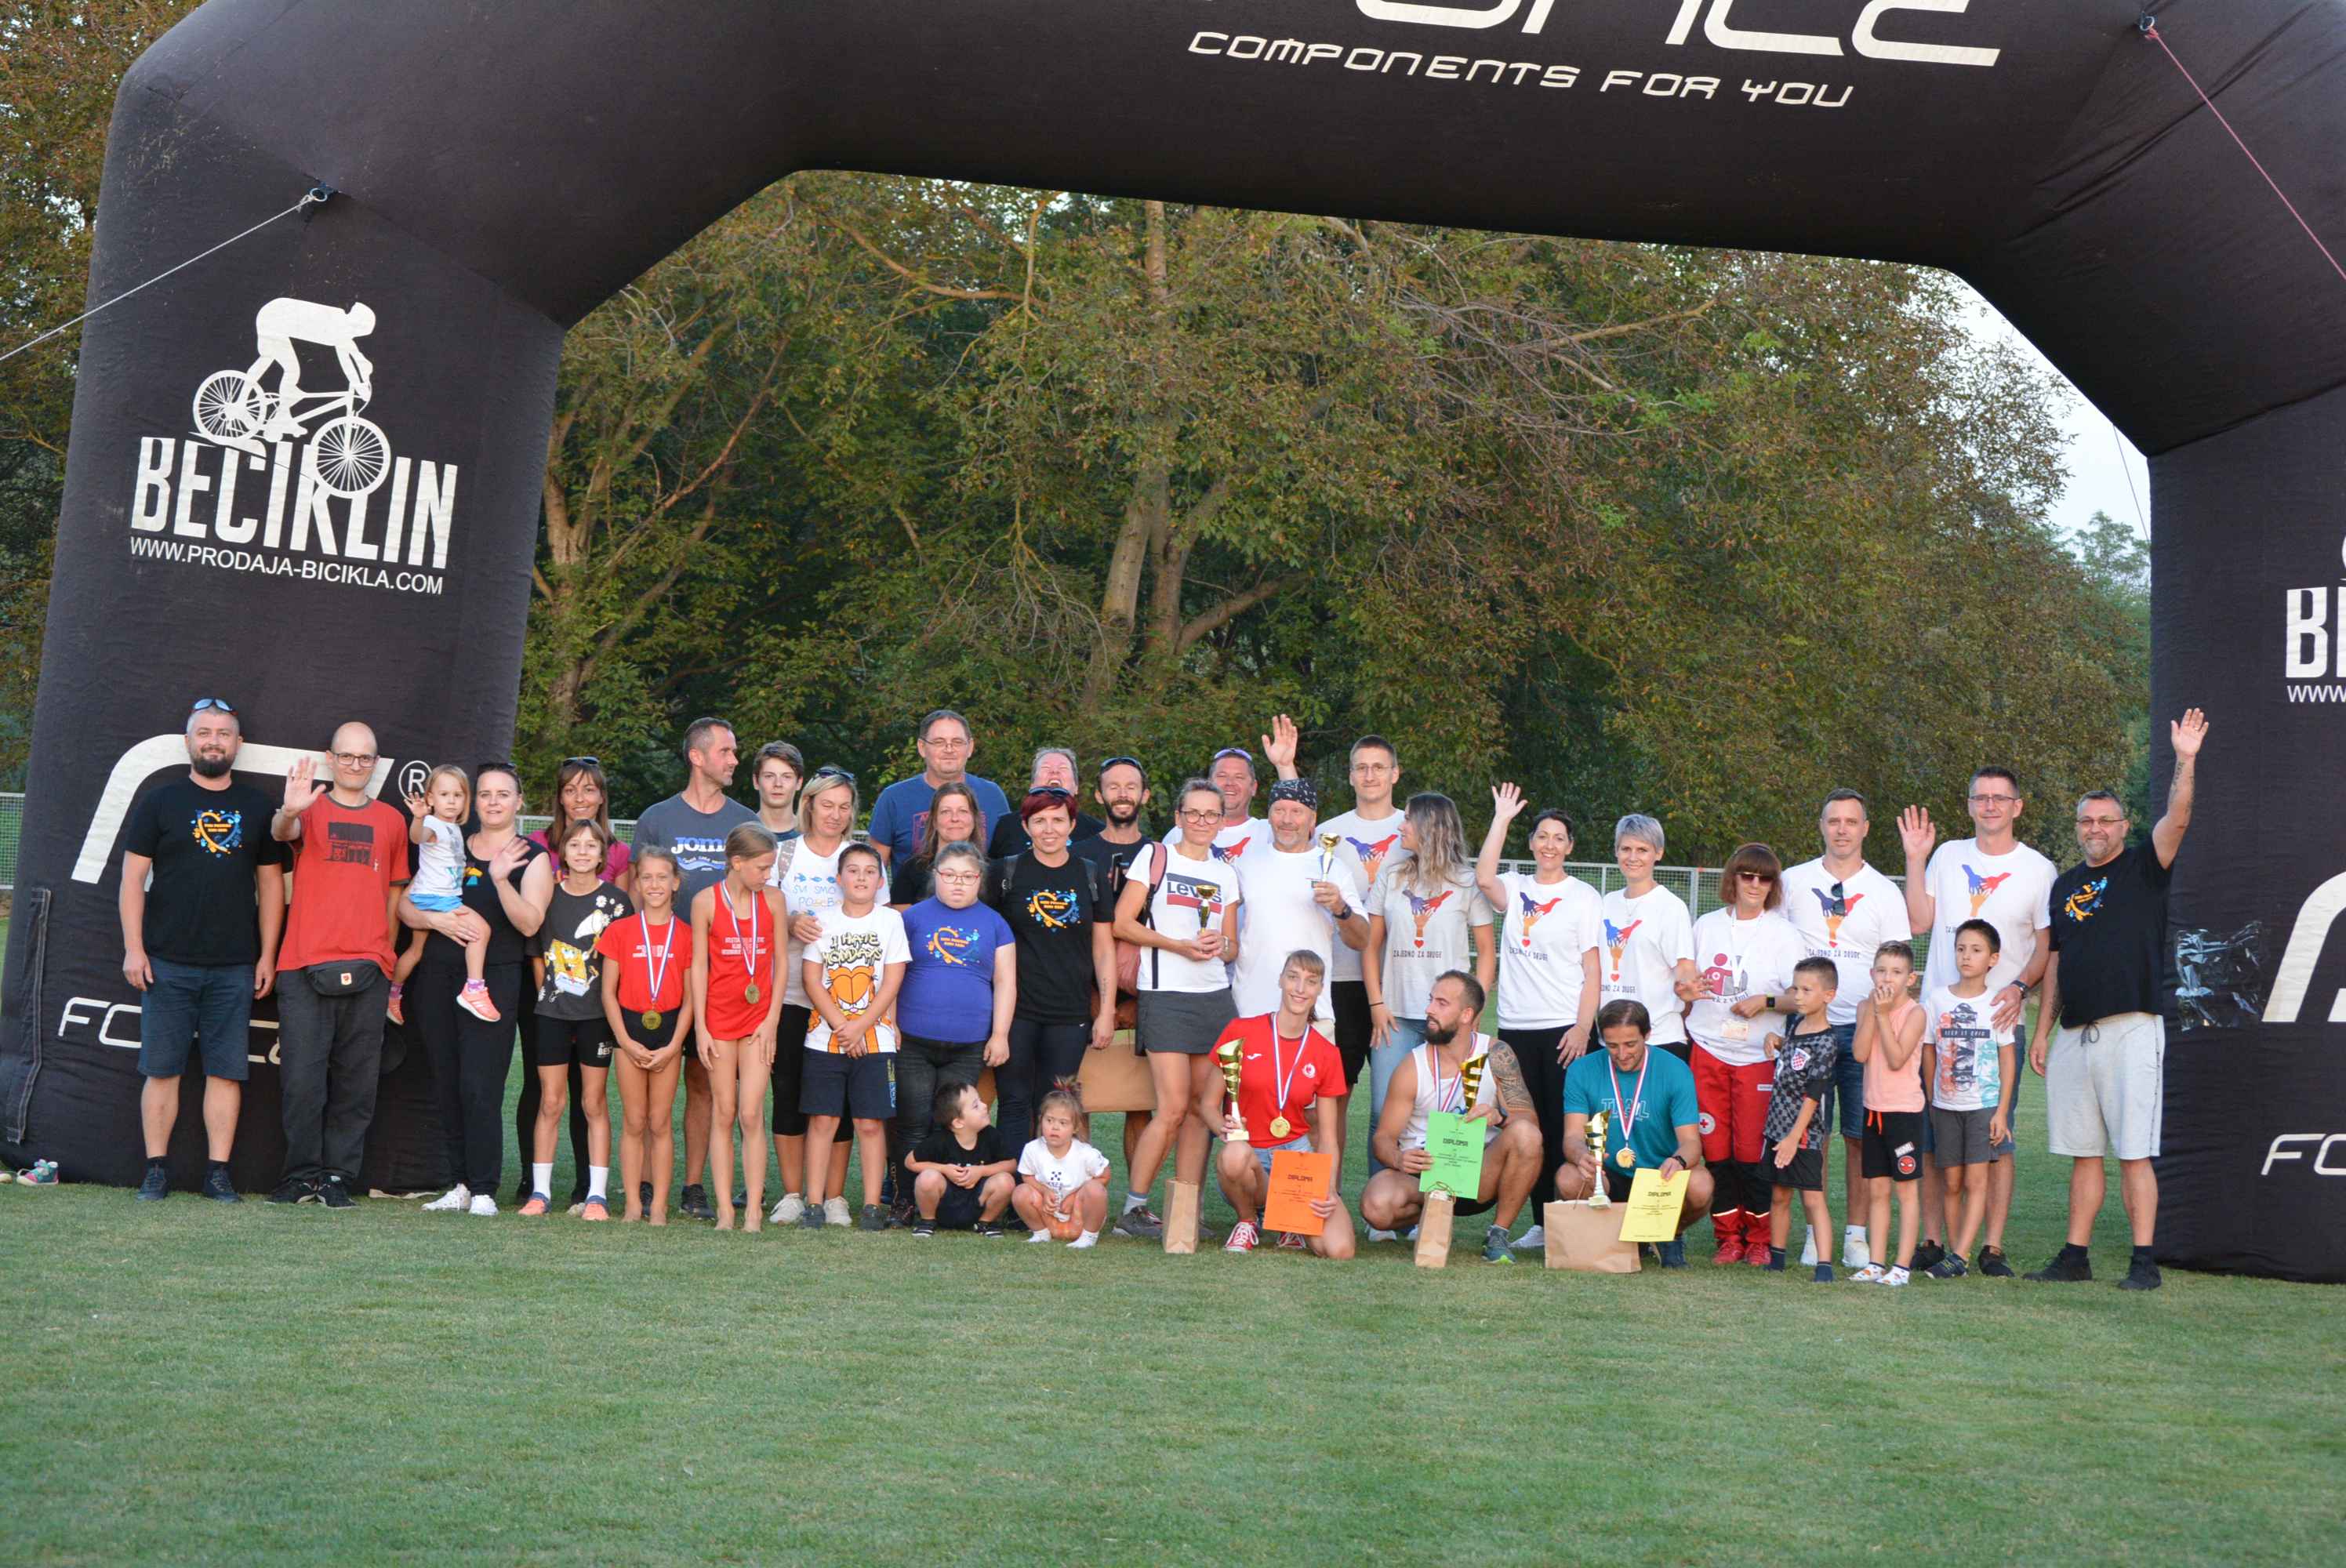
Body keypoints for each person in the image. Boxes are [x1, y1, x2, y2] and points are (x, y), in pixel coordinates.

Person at [2028, 709, 2206, 1292]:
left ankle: (2143, 1262)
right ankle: (2075, 1256)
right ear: (2077, 827)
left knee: (2133, 1152)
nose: (2095, 828)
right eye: (2086, 820)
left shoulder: (2144, 866)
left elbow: (2178, 819)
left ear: (2124, 826)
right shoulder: (2063, 886)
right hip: (2077, 1034)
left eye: (2106, 819)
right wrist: (2042, 1031)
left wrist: (2185, 759)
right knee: (2084, 1153)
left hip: (2133, 1027)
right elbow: (2056, 960)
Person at [121, 698, 287, 1203]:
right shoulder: (160, 802)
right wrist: (134, 949)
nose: (214, 740)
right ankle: (155, 1170)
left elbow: (273, 888)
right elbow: (131, 882)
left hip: (235, 965)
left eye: (223, 733)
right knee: (161, 1068)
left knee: (226, 1071)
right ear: (189, 742)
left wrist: (267, 956)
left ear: (238, 744)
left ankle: (218, 1173)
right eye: (205, 733)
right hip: (166, 962)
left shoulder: (259, 808)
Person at [1898, 768, 2055, 1276]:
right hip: (1939, 1026)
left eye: (1999, 798)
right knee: (1932, 1139)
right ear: (1969, 806)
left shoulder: (2037, 869)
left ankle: (1991, 1247)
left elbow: (2046, 947)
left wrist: (2018, 988)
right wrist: (1916, 859)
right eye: (1980, 798)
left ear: (2017, 806)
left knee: (1996, 1138)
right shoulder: (1947, 857)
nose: (1989, 805)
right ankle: (1932, 1239)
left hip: (1996, 1023)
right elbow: (1920, 921)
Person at [271, 719, 410, 1209]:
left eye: (365, 758)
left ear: (376, 764)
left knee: (356, 1082)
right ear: (331, 758)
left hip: (369, 968)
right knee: (302, 1082)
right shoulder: (307, 809)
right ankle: (301, 1176)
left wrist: (385, 957)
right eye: (347, 756)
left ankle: (336, 1178)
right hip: (303, 963)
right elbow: (280, 831)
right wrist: (289, 811)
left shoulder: (392, 821)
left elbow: (396, 895)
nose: (356, 765)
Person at [403, 764, 554, 1216]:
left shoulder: (532, 856)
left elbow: (530, 922)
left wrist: (501, 878)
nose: (492, 801)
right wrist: (438, 921)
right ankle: (460, 1184)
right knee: (447, 1083)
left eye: (502, 794)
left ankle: (486, 1188)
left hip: (495, 982)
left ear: (518, 802)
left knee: (480, 1086)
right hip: (437, 977)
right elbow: (409, 908)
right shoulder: (449, 841)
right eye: (485, 793)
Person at [1779, 789, 1912, 1271]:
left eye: (1850, 821)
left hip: (1863, 1030)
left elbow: (1896, 967)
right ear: (1820, 825)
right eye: (1833, 820)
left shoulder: (1883, 891)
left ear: (1865, 828)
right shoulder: (1793, 882)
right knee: (1812, 1136)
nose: (1841, 829)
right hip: (1806, 1030)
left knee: (1859, 1136)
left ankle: (1855, 1235)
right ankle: (1817, 1235)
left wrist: (1883, 1018)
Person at [630, 717, 756, 1221]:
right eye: (726, 751)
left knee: (704, 1081)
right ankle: (643, 1183)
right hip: (661, 970)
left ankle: (693, 1185)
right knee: (646, 1075)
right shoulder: (657, 818)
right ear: (697, 757)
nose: (733, 760)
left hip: (722, 976)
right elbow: (634, 892)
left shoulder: (744, 821)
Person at [1114, 778, 1244, 1239]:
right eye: (1194, 813)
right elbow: (1123, 924)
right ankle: (1133, 1210)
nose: (1203, 822)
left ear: (1223, 821)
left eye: (1213, 814)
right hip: (1165, 994)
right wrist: (1177, 946)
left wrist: (1219, 943)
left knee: (1198, 1109)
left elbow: (1231, 948)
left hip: (1213, 999)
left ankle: (1184, 1209)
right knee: (1170, 1109)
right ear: (1178, 817)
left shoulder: (1226, 872)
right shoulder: (1154, 857)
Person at [1475, 783, 1603, 1250]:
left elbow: (1593, 970)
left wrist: (1582, 1028)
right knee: (1524, 1126)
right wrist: (1501, 818)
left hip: (1563, 1030)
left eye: (1558, 838)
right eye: (1542, 836)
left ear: (1570, 847)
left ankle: (1566, 1220)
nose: (1549, 845)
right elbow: (1484, 878)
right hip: (1515, 1028)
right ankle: (1537, 1224)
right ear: (1531, 843)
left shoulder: (1584, 896)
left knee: (1561, 1125)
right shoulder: (1516, 885)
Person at [1361, 790, 1495, 1199]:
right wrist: (1377, 1004)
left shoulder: (1467, 882)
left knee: (1448, 1113)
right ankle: (1382, 1202)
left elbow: (1487, 952)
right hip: (1396, 1015)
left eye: (1407, 820)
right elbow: (1370, 944)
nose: (1400, 826)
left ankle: (1436, 1200)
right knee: (1383, 1112)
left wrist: (1472, 1008)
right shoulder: (1392, 875)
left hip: (1450, 1020)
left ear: (1429, 827)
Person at [1358, 971, 1545, 1262]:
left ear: (1467, 1014)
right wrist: (1397, 1159)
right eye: (1431, 1000)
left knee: (1527, 1136)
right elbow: (1383, 1138)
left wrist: (1500, 1116)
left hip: (1480, 1173)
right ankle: (1432, 1218)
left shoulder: (1496, 1054)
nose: (1429, 1009)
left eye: (1441, 1003)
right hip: (1426, 1177)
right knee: (1375, 1207)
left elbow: (1529, 1122)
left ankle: (1498, 1234)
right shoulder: (1412, 1065)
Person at [519, 755, 632, 1211]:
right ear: (561, 853)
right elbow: (537, 957)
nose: (583, 852)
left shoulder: (618, 902)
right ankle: (539, 1192)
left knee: (594, 1103)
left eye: (592, 847)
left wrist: (600, 1001)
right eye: (575, 847)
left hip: (596, 1017)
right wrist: (554, 996)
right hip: (552, 1013)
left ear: (605, 856)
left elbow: (620, 962)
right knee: (550, 1101)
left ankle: (597, 1194)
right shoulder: (547, 895)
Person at [1684, 844, 1806, 1264]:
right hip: (1708, 1049)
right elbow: (1685, 981)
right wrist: (1686, 990)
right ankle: (1727, 1238)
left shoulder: (1784, 934)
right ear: (1733, 878)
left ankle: (1758, 1238)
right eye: (1747, 875)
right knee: (1715, 1151)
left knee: (1752, 1153)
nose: (1755, 885)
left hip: (1757, 1055)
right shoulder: (1705, 925)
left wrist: (1766, 1002)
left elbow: (1802, 997)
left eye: (1764, 878)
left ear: (1773, 886)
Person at [982, 786, 1119, 1158]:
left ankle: (1047, 1193)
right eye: (1039, 821)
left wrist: (1105, 1012)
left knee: (1054, 1107)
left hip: (1069, 1013)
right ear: (1025, 826)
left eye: (1058, 820)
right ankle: (1009, 1196)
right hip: (1016, 1012)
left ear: (1073, 825)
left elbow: (1104, 948)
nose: (1049, 829)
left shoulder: (1090, 876)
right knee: (1013, 1104)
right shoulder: (1004, 872)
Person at [895, 840, 1015, 1220]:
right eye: (949, 876)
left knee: (950, 1123)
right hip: (913, 1039)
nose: (958, 884)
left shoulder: (995, 923)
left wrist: (1000, 1035)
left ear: (979, 879)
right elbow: (891, 975)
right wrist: (890, 1024)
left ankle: (947, 1200)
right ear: (936, 876)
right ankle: (905, 1198)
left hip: (967, 1043)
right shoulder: (913, 918)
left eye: (967, 877)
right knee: (912, 1119)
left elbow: (1006, 981)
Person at [1210, 951, 1357, 1259]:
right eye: (1293, 977)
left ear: (1320, 990)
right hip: (1250, 1153)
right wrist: (1223, 1129)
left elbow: (1329, 1136)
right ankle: (1248, 1221)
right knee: (1235, 1156)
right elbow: (1206, 1104)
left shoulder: (1326, 1053)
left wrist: (1328, 1187)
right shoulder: (1241, 1031)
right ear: (1280, 980)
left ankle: (1289, 1223)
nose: (1300, 988)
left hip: (1297, 1158)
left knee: (1339, 1249)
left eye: (1311, 981)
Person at [798, 843, 910, 1231]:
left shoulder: (889, 921)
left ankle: (872, 1206)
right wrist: (842, 1027)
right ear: (839, 878)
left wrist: (861, 1026)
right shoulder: (821, 920)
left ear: (880, 881)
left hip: (876, 1038)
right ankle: (813, 1203)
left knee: (869, 1123)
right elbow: (811, 978)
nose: (861, 878)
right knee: (824, 1119)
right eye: (853, 870)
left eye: (869, 872)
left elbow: (894, 978)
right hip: (824, 1039)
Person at [1556, 999, 1715, 1266]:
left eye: (1631, 1044)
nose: (1621, 1054)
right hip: (1606, 1175)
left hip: (1658, 1176)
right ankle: (1620, 1239)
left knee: (1700, 1185)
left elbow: (1691, 1143)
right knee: (1568, 1178)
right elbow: (1572, 1137)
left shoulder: (1675, 1070)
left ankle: (1670, 1234)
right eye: (1612, 1045)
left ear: (1648, 1035)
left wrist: (1677, 1162)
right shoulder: (1581, 1070)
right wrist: (1581, 1156)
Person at [766, 766, 856, 1225]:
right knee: (788, 1090)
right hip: (791, 995)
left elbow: (876, 923)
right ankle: (793, 1193)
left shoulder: (860, 858)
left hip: (846, 1003)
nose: (835, 815)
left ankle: (835, 1197)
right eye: (827, 804)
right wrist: (787, 922)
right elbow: (758, 915)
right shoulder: (783, 856)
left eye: (844, 807)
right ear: (810, 806)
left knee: (837, 1098)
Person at [1072, 755, 1161, 1199]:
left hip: (1142, 991)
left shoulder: (1160, 854)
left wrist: (1130, 1000)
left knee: (1139, 1102)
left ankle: (1136, 1202)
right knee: (1075, 1097)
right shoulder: (1079, 853)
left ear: (1145, 795)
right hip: (1082, 991)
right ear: (1099, 795)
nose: (1122, 793)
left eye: (1131, 786)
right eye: (1113, 786)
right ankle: (1076, 1193)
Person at [689, 822, 784, 1230]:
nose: (768, 875)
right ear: (737, 862)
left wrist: (772, 1021)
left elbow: (781, 965)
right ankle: (726, 1210)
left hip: (758, 1021)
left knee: (751, 1113)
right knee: (723, 1112)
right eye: (762, 868)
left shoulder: (775, 901)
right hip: (719, 1021)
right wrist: (701, 1027)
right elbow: (698, 966)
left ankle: (754, 1210)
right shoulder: (706, 901)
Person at [597, 847, 692, 1223]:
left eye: (662, 877)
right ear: (637, 883)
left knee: (660, 1122)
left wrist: (674, 1046)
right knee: (634, 1122)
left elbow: (690, 999)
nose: (654, 884)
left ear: (675, 883)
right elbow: (607, 992)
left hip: (669, 1032)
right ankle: (634, 1203)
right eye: (647, 877)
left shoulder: (685, 935)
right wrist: (623, 1038)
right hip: (629, 1031)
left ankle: (660, 1206)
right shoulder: (620, 931)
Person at [1318, 735, 1405, 1147]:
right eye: (1362, 767)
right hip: (1341, 978)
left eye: (1379, 766)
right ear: (1351, 776)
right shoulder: (1327, 833)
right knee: (1333, 1095)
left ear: (1395, 773)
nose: (1370, 775)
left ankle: (1398, 1205)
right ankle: (1324, 1198)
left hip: (1402, 982)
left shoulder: (1413, 829)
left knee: (1403, 1099)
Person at [1229, 778, 1367, 1023]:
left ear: (1313, 819)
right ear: (1269, 816)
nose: (1287, 820)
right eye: (1279, 810)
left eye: (1297, 812)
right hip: (1251, 1007)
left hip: (1312, 1012)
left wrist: (1340, 908)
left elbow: (1362, 939)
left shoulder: (1335, 868)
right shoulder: (1246, 864)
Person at [1924, 920, 2014, 1278]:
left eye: (1976, 950)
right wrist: (1932, 1094)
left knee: (1977, 1182)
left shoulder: (1997, 1003)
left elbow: (2007, 1058)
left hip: (1983, 1107)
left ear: (1993, 959)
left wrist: (2002, 1111)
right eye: (1961, 948)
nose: (1967, 956)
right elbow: (1929, 1048)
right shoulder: (1937, 998)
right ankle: (1953, 1250)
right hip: (1946, 1106)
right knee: (1951, 1182)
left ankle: (1960, 1256)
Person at [1848, 941, 1927, 1285]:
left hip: (1903, 1112)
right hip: (1873, 1110)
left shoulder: (1915, 1012)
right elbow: (1861, 1053)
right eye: (1881, 971)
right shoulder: (1867, 1006)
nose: (1887, 978)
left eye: (1896, 972)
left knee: (1905, 1191)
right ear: (1871, 973)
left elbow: (1896, 1059)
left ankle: (1902, 1265)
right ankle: (1876, 1262)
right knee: (1877, 1190)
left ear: (1910, 978)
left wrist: (1882, 1015)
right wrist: (1872, 1012)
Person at [1763, 958, 1842, 1281]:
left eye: (1807, 990)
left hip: (1803, 1134)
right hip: (1775, 1128)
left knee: (1812, 1197)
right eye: (1796, 988)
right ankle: (1777, 1257)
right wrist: (1775, 1039)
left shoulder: (1827, 1041)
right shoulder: (1795, 1025)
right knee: (1779, 1194)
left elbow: (1813, 1094)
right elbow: (1794, 1057)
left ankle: (1825, 1265)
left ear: (1828, 995)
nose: (1798, 996)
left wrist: (1795, 1137)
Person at [390, 766, 486, 1023]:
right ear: (430, 799)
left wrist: (464, 870)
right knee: (482, 931)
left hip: (435, 895)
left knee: (416, 951)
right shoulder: (432, 824)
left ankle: (392, 995)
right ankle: (474, 989)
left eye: (458, 795)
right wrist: (419, 818)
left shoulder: (453, 828)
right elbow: (417, 836)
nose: (452, 801)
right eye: (445, 794)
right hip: (437, 900)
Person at [1598, 814, 1696, 1061]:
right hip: (1609, 1040)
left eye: (1642, 850)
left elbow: (1684, 968)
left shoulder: (1671, 907)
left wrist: (1688, 985)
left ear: (1658, 853)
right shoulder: (1606, 903)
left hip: (1659, 1039)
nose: (1633, 857)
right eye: (1626, 849)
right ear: (1616, 852)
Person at [866, 709, 1012, 872]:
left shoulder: (992, 795)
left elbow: (1008, 865)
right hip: (911, 897)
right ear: (922, 747)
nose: (949, 749)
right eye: (939, 742)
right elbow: (874, 871)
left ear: (970, 747)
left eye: (957, 742)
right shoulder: (894, 798)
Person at [905, 1081, 1015, 1237]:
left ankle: (986, 1223)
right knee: (928, 1178)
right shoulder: (939, 1140)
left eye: (981, 1101)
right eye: (976, 1105)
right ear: (958, 1122)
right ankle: (927, 1221)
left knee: (1006, 1181)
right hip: (945, 1205)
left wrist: (982, 1171)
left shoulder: (991, 1136)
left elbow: (1011, 1164)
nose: (985, 1106)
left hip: (979, 1202)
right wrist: (944, 1169)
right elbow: (910, 1162)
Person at [1011, 1083, 1111, 1248]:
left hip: (1079, 1219)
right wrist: (1044, 1191)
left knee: (1095, 1190)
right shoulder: (1032, 1149)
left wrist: (1073, 1196)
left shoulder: (1086, 1153)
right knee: (1020, 1192)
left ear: (1075, 1127)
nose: (1055, 1127)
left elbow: (1105, 1175)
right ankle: (1041, 1233)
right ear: (1040, 1119)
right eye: (1049, 1120)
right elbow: (1026, 1176)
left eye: (1063, 1123)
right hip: (1048, 1216)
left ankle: (1089, 1237)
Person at [986, 748, 1104, 857]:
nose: (1054, 772)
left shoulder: (1096, 831)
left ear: (1076, 786)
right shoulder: (1008, 826)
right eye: (1046, 768)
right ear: (1032, 785)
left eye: (1063, 768)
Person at [890, 781, 984, 909]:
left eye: (963, 811)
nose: (955, 818)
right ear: (934, 820)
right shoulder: (911, 870)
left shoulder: (990, 872)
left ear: (974, 819)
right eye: (946, 812)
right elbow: (905, 923)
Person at [750, 741, 805, 848]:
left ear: (799, 783)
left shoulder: (811, 835)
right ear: (756, 781)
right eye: (769, 776)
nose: (778, 784)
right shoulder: (740, 833)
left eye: (787, 777)